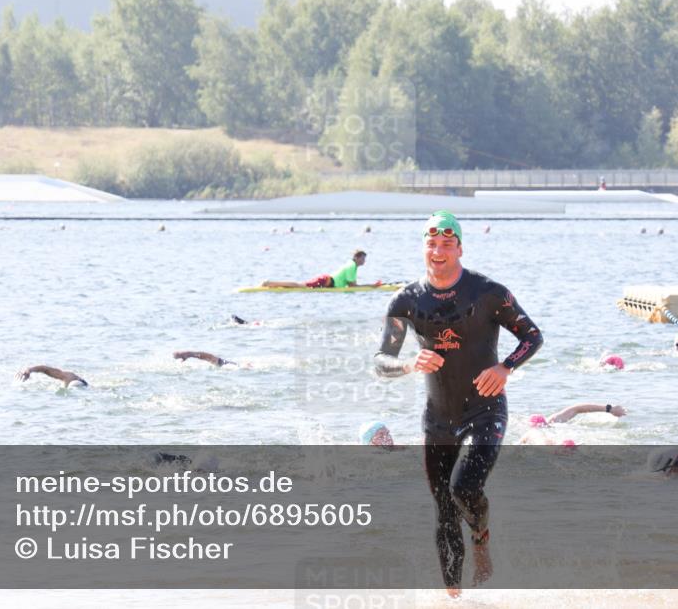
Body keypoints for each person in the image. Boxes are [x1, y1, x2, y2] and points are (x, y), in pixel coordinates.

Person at [374, 210, 543, 597]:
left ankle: (481, 539)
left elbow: (532, 336)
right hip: (439, 417)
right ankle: (453, 597)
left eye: (447, 244)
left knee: (464, 488)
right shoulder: (407, 300)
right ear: (424, 248)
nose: (438, 251)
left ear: (460, 248)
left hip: (486, 409)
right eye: (431, 244)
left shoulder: (488, 293)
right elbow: (382, 361)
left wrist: (505, 368)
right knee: (444, 510)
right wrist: (407, 364)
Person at [259, 250, 382, 289]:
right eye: (363, 259)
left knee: (300, 285)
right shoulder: (351, 266)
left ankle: (271, 283)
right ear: (356, 258)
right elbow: (352, 286)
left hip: (327, 281)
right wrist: (372, 286)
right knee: (300, 286)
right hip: (325, 281)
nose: (364, 262)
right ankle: (269, 283)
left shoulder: (352, 265)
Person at [519, 403, 627, 445]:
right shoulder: (551, 423)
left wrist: (609, 409)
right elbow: (577, 408)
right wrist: (609, 409)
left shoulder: (535, 432)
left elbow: (577, 409)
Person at [18, 365, 88, 387]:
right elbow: (46, 369)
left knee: (74, 384)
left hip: (84, 386)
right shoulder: (69, 376)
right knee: (73, 384)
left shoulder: (73, 378)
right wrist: (29, 370)